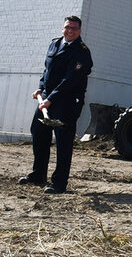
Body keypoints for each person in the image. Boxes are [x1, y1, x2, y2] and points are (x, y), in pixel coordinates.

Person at [19, 16, 93, 194]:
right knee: (38, 133)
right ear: (63, 28)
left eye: (74, 28)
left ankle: (59, 183)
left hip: (67, 102)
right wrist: (40, 88)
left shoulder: (82, 51)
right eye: (68, 27)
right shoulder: (54, 44)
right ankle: (38, 175)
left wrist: (50, 98)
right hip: (47, 99)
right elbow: (48, 70)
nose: (70, 31)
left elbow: (70, 79)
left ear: (79, 31)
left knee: (63, 142)